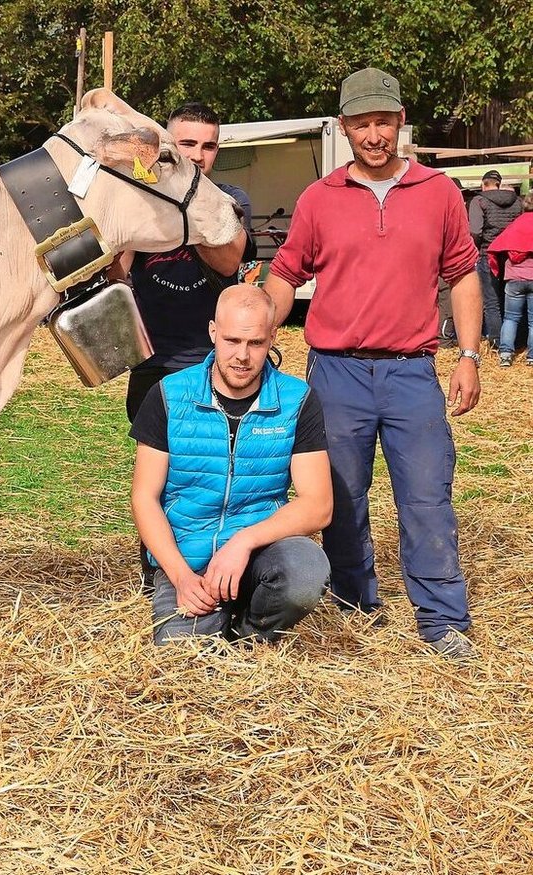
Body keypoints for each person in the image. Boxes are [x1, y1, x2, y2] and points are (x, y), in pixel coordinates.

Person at [262, 67, 482, 659]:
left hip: (412, 370)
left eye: (384, 121)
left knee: (427, 495)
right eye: (362, 124)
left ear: (400, 122)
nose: (374, 134)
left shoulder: (438, 193)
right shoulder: (319, 197)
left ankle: (442, 619)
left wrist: (468, 355)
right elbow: (286, 272)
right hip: (336, 370)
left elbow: (462, 274)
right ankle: (354, 601)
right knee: (338, 494)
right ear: (345, 127)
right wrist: (260, 325)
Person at [130, 284, 331, 645]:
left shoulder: (296, 400)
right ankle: (202, 614)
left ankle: (250, 637)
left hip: (259, 553)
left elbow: (318, 505)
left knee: (305, 571)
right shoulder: (169, 394)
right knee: (183, 660)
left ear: (273, 337)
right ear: (213, 332)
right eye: (231, 340)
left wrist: (243, 542)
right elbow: (145, 497)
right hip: (189, 557)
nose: (242, 355)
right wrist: (180, 577)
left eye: (255, 343)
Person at [116, 101, 256, 421]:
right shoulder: (144, 201)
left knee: (212, 463)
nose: (197, 155)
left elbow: (228, 262)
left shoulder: (231, 199)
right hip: (153, 362)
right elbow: (118, 272)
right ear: (169, 144)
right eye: (188, 144)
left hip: (214, 360)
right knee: (156, 465)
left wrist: (188, 207)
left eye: (208, 146)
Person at [469, 170, 521, 350]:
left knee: (491, 301)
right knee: (510, 299)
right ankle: (516, 341)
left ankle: (497, 342)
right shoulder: (517, 201)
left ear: (484, 184)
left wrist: (474, 248)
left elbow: (475, 230)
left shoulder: (479, 201)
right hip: (512, 256)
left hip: (487, 253)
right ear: (499, 183)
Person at [487, 193, 533, 366]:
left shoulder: (515, 225)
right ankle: (531, 357)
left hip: (513, 279)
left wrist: (496, 270)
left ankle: (505, 353)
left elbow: (495, 247)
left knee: (510, 318)